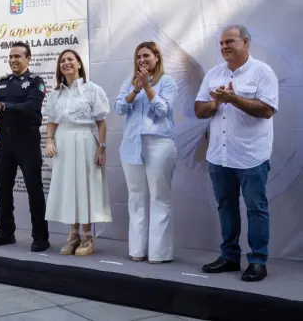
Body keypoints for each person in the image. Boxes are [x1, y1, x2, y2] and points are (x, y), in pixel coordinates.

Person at [195, 25, 278, 282]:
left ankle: (257, 261)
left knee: (256, 207)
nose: (224, 47)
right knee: (226, 206)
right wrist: (217, 102)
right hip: (219, 156)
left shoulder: (263, 72)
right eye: (221, 44)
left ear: (245, 42)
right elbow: (199, 110)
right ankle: (229, 256)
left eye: (229, 42)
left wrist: (234, 99)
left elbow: (267, 110)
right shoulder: (213, 74)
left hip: (251, 155)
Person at [0, 41, 50, 252]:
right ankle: (5, 232)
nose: (13, 60)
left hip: (27, 141)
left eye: (17, 56)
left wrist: (1, 106)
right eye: (10, 57)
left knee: (34, 190)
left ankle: (40, 237)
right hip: (6, 142)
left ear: (28, 59)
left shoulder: (36, 82)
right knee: (2, 188)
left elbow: (31, 108)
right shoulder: (2, 83)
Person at [114, 41, 177, 264]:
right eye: (138, 56)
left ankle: (159, 253)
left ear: (157, 57)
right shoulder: (130, 82)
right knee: (136, 198)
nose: (142, 60)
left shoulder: (167, 82)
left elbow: (162, 110)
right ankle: (137, 250)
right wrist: (136, 89)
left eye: (146, 56)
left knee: (159, 197)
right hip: (132, 145)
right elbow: (120, 108)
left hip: (159, 144)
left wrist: (148, 88)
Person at [44, 49, 112, 256]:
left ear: (79, 64)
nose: (66, 63)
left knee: (85, 186)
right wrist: (49, 141)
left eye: (70, 59)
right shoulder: (56, 93)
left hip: (85, 141)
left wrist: (101, 148)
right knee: (68, 187)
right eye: (62, 60)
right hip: (63, 142)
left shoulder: (93, 90)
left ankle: (87, 237)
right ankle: (72, 235)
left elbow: (101, 123)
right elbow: (52, 121)